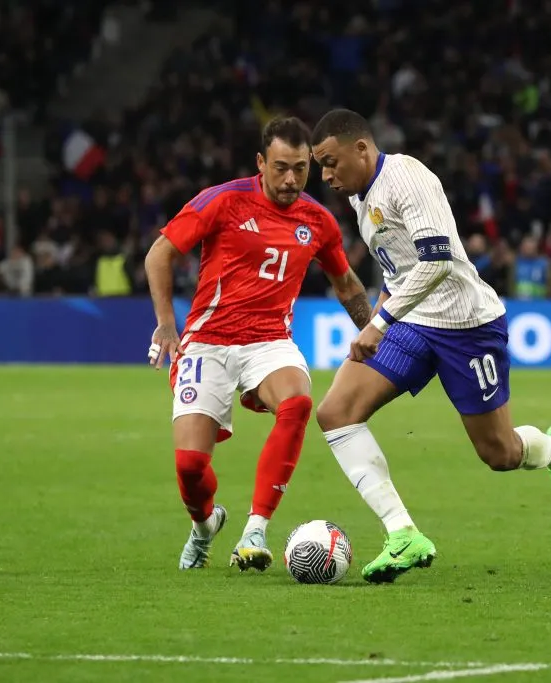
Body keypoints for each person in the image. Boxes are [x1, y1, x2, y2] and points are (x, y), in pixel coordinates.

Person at [310, 108, 551, 584]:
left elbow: (436, 261)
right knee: (335, 412)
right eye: (321, 166)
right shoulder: (360, 196)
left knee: (499, 453)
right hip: (412, 323)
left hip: (467, 326)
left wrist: (379, 324)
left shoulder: (408, 179)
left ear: (361, 147)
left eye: (331, 162)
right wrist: (382, 317)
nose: (326, 175)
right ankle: (403, 534)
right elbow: (398, 269)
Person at [144, 116, 372, 570]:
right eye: (281, 167)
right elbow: (160, 254)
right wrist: (167, 325)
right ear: (260, 162)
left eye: (301, 169)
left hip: (269, 340)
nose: (291, 180)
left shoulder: (318, 220)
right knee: (190, 467)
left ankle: (255, 530)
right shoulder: (223, 201)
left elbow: (346, 282)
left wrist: (371, 331)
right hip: (207, 342)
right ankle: (206, 524)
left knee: (298, 404)